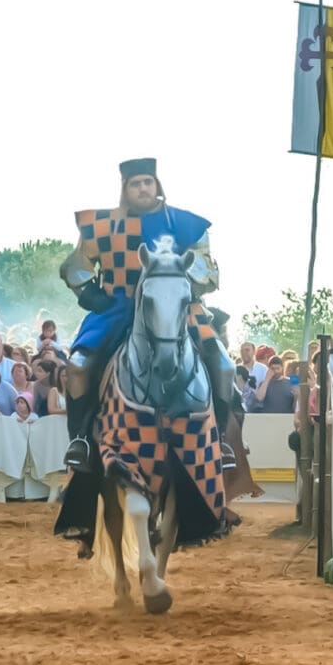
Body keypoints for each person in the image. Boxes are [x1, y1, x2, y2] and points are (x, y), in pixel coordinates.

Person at [58, 157, 236, 471]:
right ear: (125, 188)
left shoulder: (184, 223)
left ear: (157, 185)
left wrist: (188, 287)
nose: (143, 188)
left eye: (147, 182)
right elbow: (77, 265)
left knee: (223, 365)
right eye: (135, 183)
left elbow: (206, 267)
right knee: (77, 366)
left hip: (179, 310)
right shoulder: (103, 224)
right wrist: (89, 293)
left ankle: (220, 439)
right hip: (115, 306)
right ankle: (81, 440)